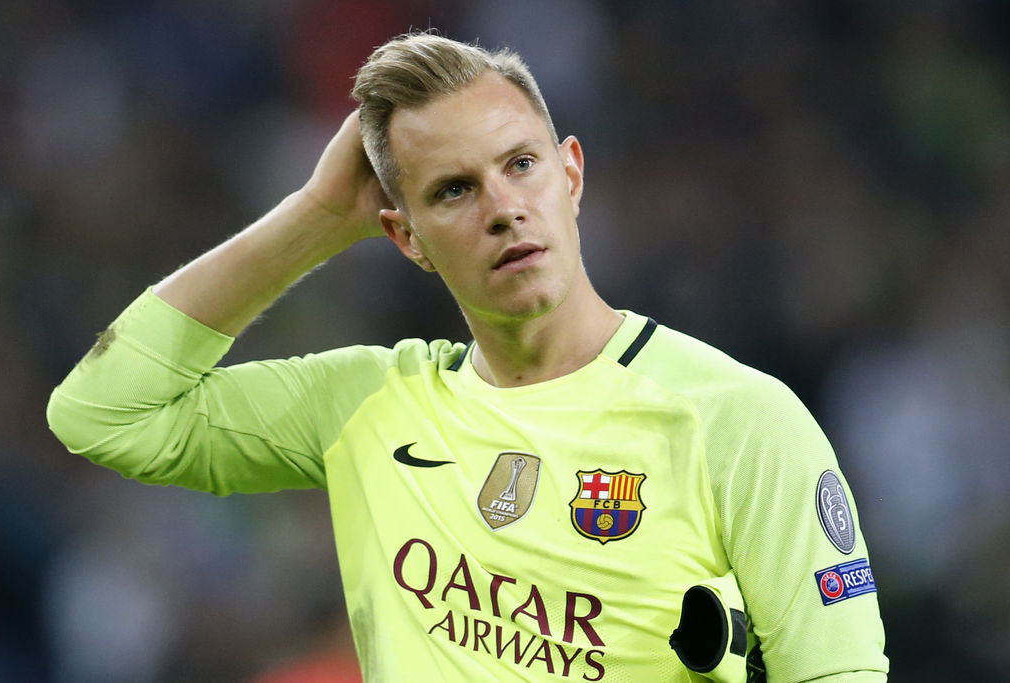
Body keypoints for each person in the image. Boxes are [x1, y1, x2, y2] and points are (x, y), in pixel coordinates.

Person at [47, 32, 888, 681]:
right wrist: (317, 216)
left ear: (571, 176)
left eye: (521, 165)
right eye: (454, 190)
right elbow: (103, 411)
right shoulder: (367, 405)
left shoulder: (738, 420)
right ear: (404, 235)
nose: (503, 208)